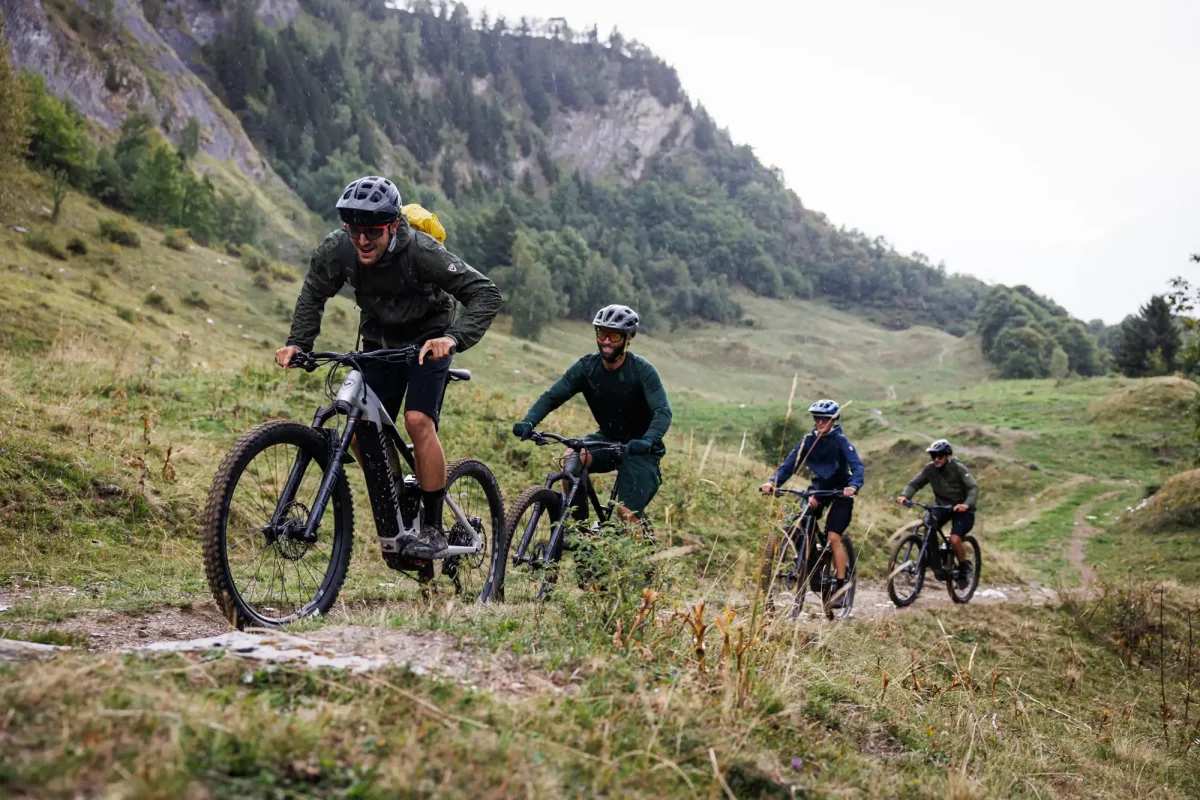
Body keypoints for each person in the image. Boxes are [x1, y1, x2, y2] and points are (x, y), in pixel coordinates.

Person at [275, 176, 502, 558]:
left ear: (394, 225)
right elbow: (314, 290)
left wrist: (453, 339)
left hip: (427, 344)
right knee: (362, 427)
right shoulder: (338, 249)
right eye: (355, 230)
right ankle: (395, 500)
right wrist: (300, 342)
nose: (363, 240)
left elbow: (485, 293)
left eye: (374, 231)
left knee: (417, 421)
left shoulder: (421, 252)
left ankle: (432, 528)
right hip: (379, 343)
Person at [512, 305, 671, 530]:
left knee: (625, 512)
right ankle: (581, 534)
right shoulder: (587, 367)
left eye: (613, 336)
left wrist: (648, 440)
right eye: (601, 333)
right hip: (606, 439)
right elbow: (552, 396)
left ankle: (637, 564)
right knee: (570, 462)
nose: (606, 341)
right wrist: (529, 421)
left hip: (641, 448)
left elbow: (663, 411)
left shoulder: (642, 371)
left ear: (628, 340)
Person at [759, 400, 864, 604]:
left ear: (834, 419)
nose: (821, 422)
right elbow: (788, 465)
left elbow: (857, 466)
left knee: (834, 538)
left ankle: (840, 587)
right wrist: (772, 482)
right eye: (817, 418)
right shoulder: (808, 440)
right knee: (802, 519)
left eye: (825, 418)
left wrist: (854, 485)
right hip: (818, 490)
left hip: (841, 493)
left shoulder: (840, 440)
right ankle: (806, 562)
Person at [895, 439, 978, 588]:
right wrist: (905, 496)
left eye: (939, 455)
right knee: (928, 524)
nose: (936, 459)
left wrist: (966, 504)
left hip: (962, 510)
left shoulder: (958, 468)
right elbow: (915, 484)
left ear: (947, 456)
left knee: (954, 539)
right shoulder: (929, 469)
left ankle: (964, 568)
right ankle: (936, 562)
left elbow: (973, 488)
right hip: (943, 507)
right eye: (933, 456)